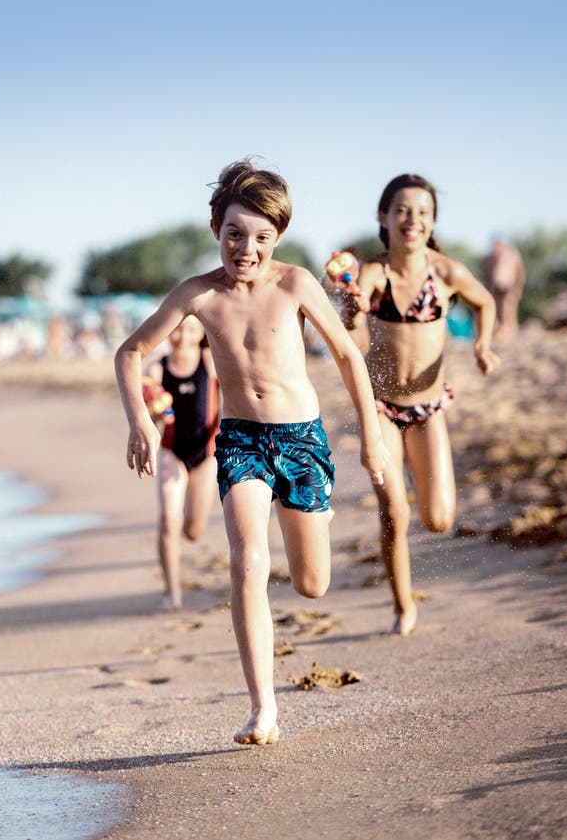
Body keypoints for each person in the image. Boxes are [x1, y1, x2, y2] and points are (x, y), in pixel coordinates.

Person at [115, 159, 387, 746]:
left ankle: (317, 515)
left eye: (262, 236)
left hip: (301, 439)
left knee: (312, 584)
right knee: (247, 562)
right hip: (240, 442)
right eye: (235, 232)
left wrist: (371, 438)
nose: (247, 247)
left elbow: (346, 356)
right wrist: (139, 420)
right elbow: (130, 352)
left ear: (278, 239)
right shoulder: (198, 294)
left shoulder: (294, 284)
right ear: (217, 228)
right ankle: (263, 709)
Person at [330, 174, 501, 636]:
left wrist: (483, 346)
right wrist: (351, 304)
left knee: (439, 520)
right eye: (403, 210)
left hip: (428, 409)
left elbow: (484, 302)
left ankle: (409, 586)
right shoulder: (374, 272)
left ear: (432, 221)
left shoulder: (446, 272)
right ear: (384, 218)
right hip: (381, 406)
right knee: (394, 512)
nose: (413, 220)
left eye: (423, 212)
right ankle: (403, 605)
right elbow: (352, 319)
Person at [147, 316, 220, 612]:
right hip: (171, 451)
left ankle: (188, 533)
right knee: (168, 521)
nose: (183, 335)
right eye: (177, 328)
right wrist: (155, 411)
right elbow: (147, 419)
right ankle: (172, 593)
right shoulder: (156, 368)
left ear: (201, 331)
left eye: (191, 328)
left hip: (206, 454)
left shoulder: (210, 360)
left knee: (193, 530)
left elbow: (229, 402)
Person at [481, 237, 526, 342]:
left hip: (509, 288)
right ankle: (499, 334)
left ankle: (510, 335)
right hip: (495, 288)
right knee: (496, 311)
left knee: (508, 312)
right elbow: (486, 274)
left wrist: (517, 289)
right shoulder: (490, 258)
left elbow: (520, 274)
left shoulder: (512, 256)